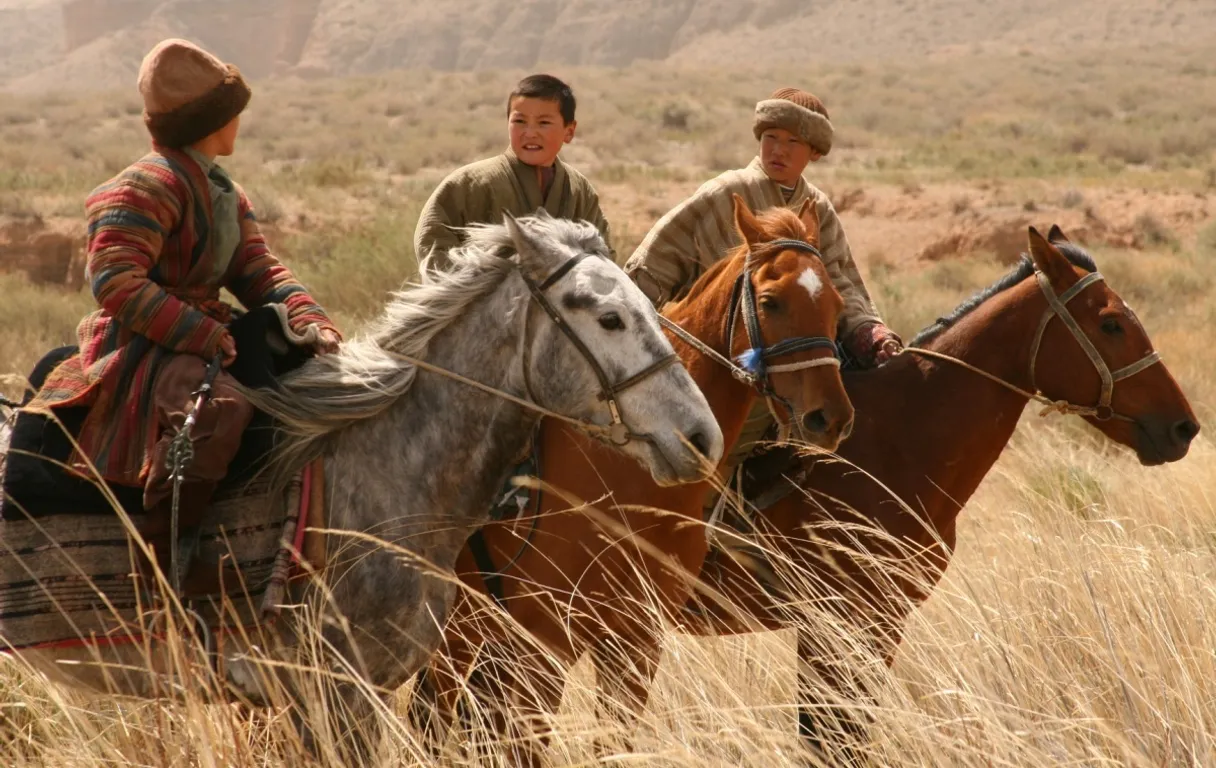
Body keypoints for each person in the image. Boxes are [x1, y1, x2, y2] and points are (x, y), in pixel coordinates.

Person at [23, 39, 341, 549]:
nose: (240, 121)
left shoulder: (224, 193)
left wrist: (310, 320)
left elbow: (257, 269)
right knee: (218, 414)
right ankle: (167, 546)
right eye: (233, 112)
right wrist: (202, 333)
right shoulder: (143, 186)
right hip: (143, 344)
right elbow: (115, 280)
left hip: (206, 334)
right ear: (212, 121)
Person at [624, 87, 902, 474]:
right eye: (771, 138)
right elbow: (654, 265)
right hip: (713, 363)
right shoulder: (724, 192)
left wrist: (870, 333)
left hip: (789, 360)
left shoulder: (817, 208)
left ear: (815, 153)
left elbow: (841, 282)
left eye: (793, 142)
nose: (779, 150)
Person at [413, 73, 614, 268]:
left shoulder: (579, 190)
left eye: (544, 123)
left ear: (569, 131)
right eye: (519, 121)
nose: (530, 133)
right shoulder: (470, 183)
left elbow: (602, 254)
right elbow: (433, 244)